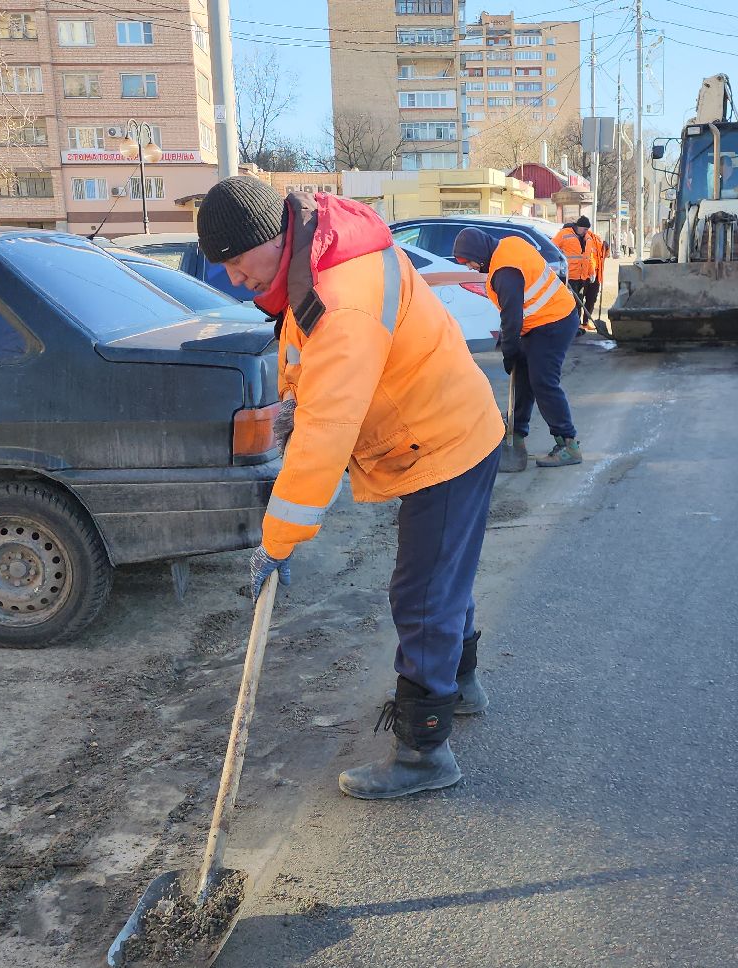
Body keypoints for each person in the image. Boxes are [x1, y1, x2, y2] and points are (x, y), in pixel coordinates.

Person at [197, 176, 504, 800]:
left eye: (235, 262)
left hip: (444, 440)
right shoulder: (317, 255)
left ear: (272, 236)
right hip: (444, 424)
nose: (234, 279)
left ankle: (423, 752)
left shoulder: (343, 295)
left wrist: (276, 541)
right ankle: (460, 684)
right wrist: (291, 399)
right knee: (442, 577)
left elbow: (325, 435)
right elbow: (303, 351)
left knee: (422, 593)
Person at [450, 226, 582, 468]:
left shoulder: (504, 272)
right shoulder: (509, 243)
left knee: (542, 381)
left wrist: (509, 352)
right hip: (539, 322)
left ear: (479, 253)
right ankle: (516, 435)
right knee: (523, 378)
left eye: (468, 261)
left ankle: (568, 444)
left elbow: (511, 319)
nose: (469, 267)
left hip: (554, 322)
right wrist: (515, 353)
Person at [552, 215, 606, 332]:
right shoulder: (564, 234)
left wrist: (591, 272)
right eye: (585, 229)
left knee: (579, 302)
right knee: (572, 303)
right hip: (569, 276)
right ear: (578, 226)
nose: (586, 231)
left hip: (582, 277)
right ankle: (572, 326)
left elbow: (589, 257)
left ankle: (579, 325)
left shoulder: (588, 239)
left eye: (587, 229)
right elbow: (553, 247)